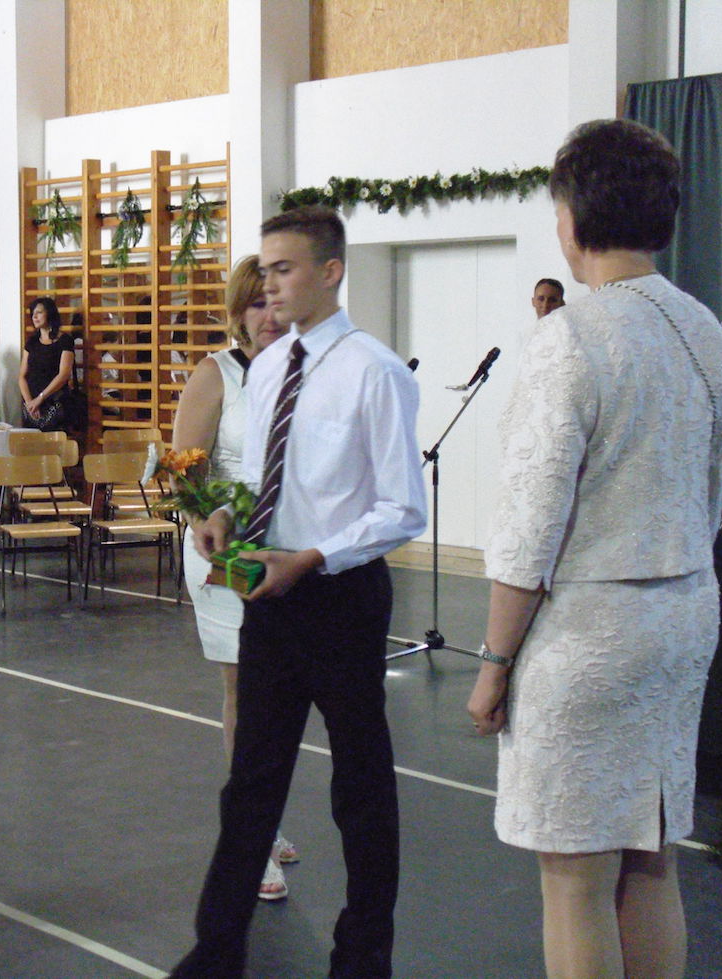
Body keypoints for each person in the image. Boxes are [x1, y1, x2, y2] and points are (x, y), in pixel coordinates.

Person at [466, 120, 722, 979]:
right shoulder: (707, 331)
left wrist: (492, 664)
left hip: (591, 632)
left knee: (574, 879)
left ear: (573, 216)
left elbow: (528, 528)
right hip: (684, 613)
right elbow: (710, 493)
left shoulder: (571, 338)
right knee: (651, 856)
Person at [171, 205, 427, 979]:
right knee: (251, 780)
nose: (270, 286)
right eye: (265, 270)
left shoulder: (373, 370)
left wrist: (314, 555)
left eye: (284, 270)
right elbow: (259, 474)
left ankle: (363, 955)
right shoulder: (271, 365)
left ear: (330, 272)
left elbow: (402, 508)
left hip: (341, 596)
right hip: (269, 593)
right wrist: (222, 513)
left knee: (360, 785)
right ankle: (217, 949)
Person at [171, 256, 297, 900]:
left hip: (288, 549)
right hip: (225, 546)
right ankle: (251, 838)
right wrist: (209, 524)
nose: (268, 315)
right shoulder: (216, 373)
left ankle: (264, 816)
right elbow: (184, 473)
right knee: (246, 693)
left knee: (282, 696)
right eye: (255, 304)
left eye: (277, 302)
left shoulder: (304, 372)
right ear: (237, 313)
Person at [18, 297, 76, 432]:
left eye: (39, 312)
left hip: (55, 401)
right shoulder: (31, 342)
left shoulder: (65, 340)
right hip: (31, 404)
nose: (34, 317)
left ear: (49, 314)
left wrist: (40, 399)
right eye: (33, 313)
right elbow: (22, 376)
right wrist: (29, 403)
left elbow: (63, 375)